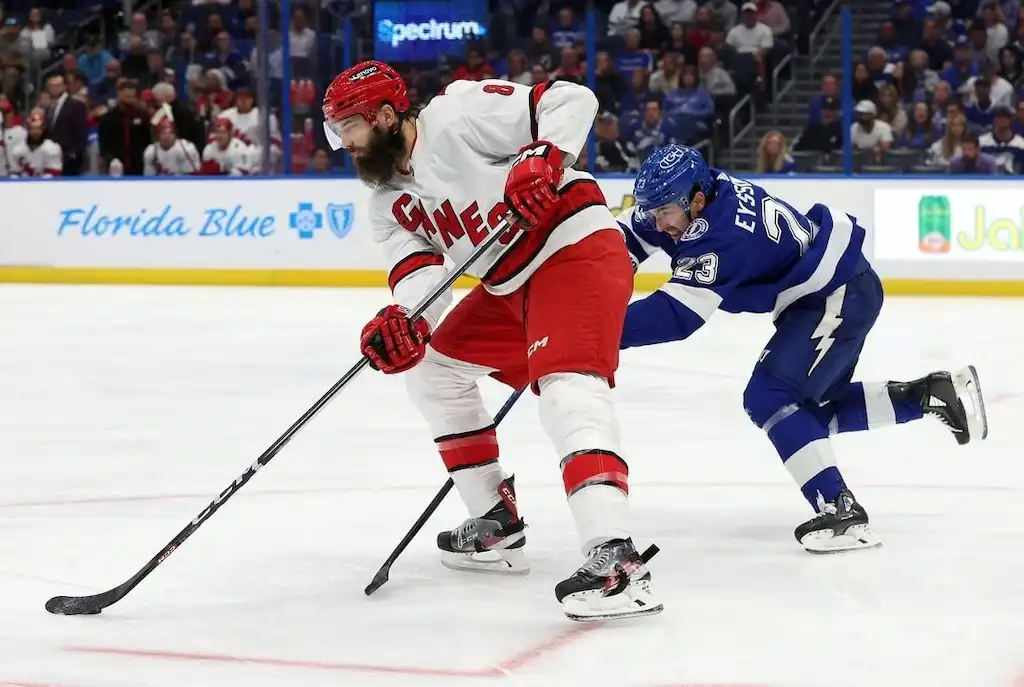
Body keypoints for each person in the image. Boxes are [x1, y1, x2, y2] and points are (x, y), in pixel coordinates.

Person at [321, 61, 662, 621]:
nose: (345, 145)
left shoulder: (457, 112)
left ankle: (616, 558)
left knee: (566, 385)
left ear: (386, 115)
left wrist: (543, 155)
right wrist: (408, 322)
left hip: (573, 248)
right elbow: (423, 280)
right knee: (431, 369)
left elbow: (571, 100)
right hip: (509, 284)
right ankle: (496, 525)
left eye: (349, 128)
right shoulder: (386, 202)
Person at [616, 144, 988, 553]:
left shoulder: (720, 237)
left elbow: (676, 316)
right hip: (830, 293)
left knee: (770, 396)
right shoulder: (694, 193)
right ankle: (932, 395)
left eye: (663, 212)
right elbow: (628, 238)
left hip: (836, 295)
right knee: (805, 416)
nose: (657, 221)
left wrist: (588, 332)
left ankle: (841, 511)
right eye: (652, 210)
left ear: (696, 201)